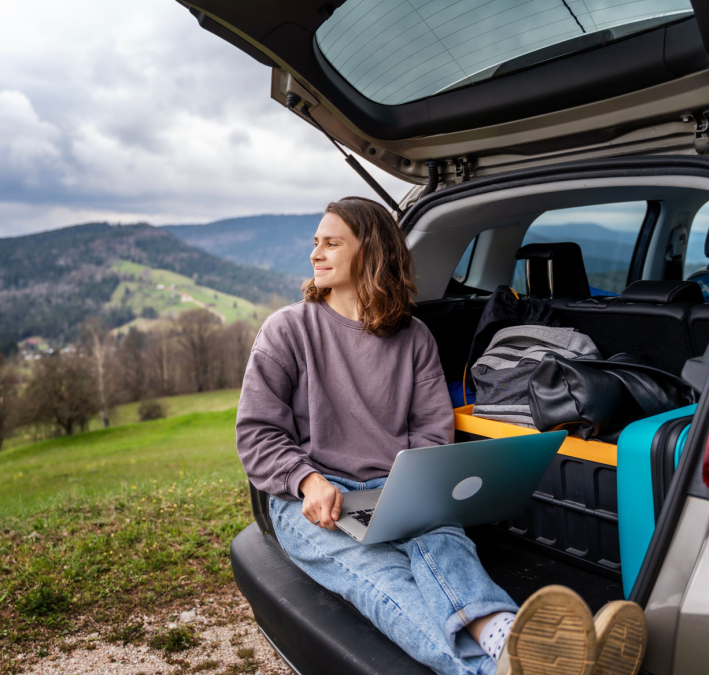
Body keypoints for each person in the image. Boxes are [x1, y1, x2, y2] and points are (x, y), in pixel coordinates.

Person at [235, 197, 647, 675]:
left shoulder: (413, 337)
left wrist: (415, 490)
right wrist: (306, 481)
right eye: (316, 243)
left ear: (369, 253)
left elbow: (432, 433)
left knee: (448, 547)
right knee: (385, 581)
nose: (316, 253)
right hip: (313, 501)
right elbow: (257, 432)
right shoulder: (287, 329)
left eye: (331, 243)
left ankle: (510, 638)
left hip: (397, 491)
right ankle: (505, 665)